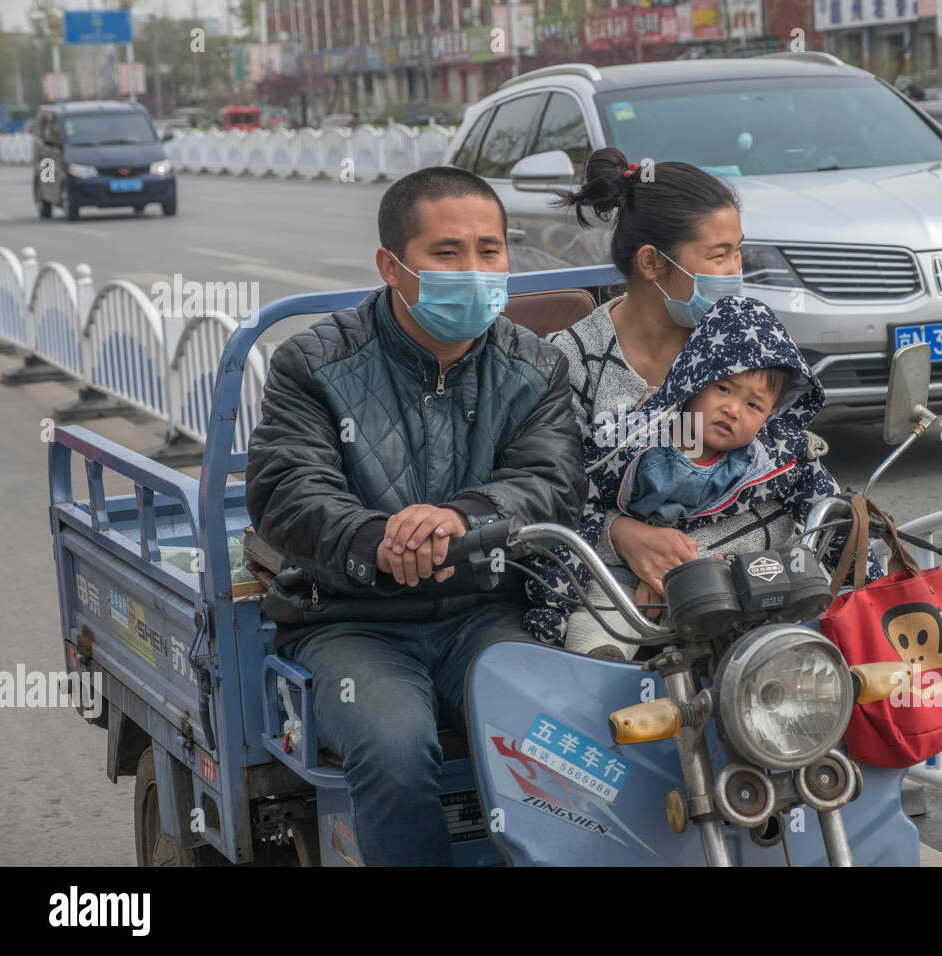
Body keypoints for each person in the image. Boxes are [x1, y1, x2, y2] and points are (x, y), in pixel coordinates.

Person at [244, 166, 584, 865]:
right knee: (396, 746)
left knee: (562, 735)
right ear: (391, 267)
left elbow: (551, 481)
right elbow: (288, 487)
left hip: (487, 609)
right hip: (349, 619)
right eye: (448, 253)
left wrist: (466, 518)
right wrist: (374, 539)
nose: (475, 269)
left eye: (490, 251)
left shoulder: (536, 365)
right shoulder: (313, 362)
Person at [526, 295, 882, 654]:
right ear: (692, 379)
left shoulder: (779, 455)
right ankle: (601, 664)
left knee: (783, 627)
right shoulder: (636, 442)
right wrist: (554, 599)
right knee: (599, 620)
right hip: (628, 575)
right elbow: (576, 495)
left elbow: (833, 515)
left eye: (753, 404)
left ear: (772, 413)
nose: (732, 408)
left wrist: (874, 588)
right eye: (723, 388)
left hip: (730, 578)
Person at [543, 147, 748, 617]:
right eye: (719, 256)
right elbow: (546, 493)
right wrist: (620, 535)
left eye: (739, 251)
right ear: (653, 263)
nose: (736, 271)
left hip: (741, 571)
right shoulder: (570, 361)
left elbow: (784, 467)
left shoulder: (738, 342)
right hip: (611, 588)